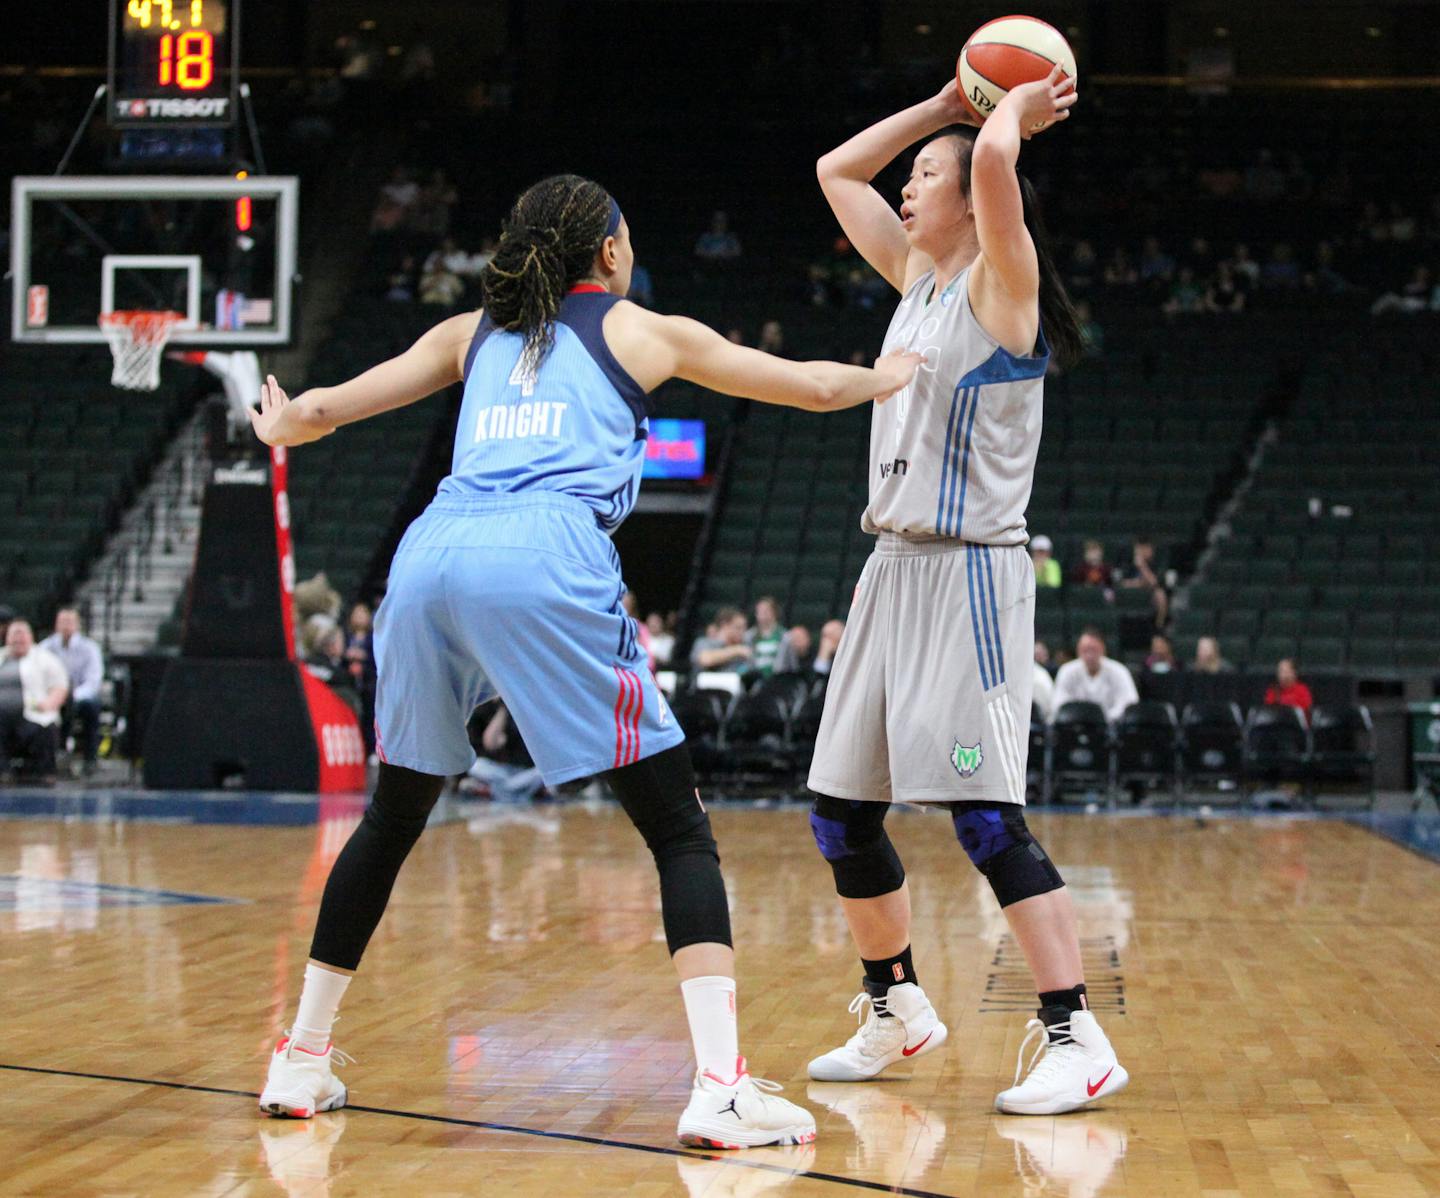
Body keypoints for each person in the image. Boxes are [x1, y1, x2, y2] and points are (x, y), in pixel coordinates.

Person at [248, 172, 922, 1146]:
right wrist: (889, 377)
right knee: (679, 827)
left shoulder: (468, 335)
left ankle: (302, 1060)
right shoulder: (638, 328)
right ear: (608, 253)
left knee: (395, 814)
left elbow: (323, 410)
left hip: (433, 551)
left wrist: (281, 418)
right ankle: (722, 1087)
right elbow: (812, 386)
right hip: (544, 549)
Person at [803, 66, 1125, 1115]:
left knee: (985, 818)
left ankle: (1079, 1034)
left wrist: (1006, 114)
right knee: (840, 812)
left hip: (974, 572)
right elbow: (835, 168)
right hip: (890, 568)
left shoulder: (1000, 283)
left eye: (926, 175)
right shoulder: (917, 283)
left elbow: (997, 166)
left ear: (974, 199)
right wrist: (943, 109)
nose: (906, 186)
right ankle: (896, 1006)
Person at [0, 619, 68, 783]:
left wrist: (49, 703)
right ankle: (4, 772)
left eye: (22, 635)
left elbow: (60, 686)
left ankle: (45, 773)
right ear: (7, 638)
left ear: (30, 637)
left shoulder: (45, 659)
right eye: (14, 636)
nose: (18, 640)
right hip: (2, 718)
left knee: (45, 728)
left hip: (35, 714)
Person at [39, 607, 104, 773]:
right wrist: (55, 696)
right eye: (62, 622)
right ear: (56, 624)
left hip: (80, 697)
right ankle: (52, 755)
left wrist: (70, 696)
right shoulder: (45, 647)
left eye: (69, 622)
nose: (65, 626)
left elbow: (93, 682)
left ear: (77, 625)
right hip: (52, 698)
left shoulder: (90, 648)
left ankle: (90, 758)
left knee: (92, 706)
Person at [1052, 629, 1139, 723]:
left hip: (1111, 725)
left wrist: (1102, 719)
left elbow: (1129, 703)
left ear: (1103, 649)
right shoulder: (1067, 671)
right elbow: (1059, 704)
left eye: (1093, 650)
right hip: (1074, 723)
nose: (1089, 655)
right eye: (1084, 650)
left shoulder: (1119, 671)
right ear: (1078, 650)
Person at [689, 608, 752, 675]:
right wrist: (737, 650)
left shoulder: (745, 645)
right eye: (738, 628)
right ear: (724, 625)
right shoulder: (704, 642)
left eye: (744, 628)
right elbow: (706, 659)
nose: (742, 632)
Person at [1264, 658, 1313, 723]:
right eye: (1281, 672)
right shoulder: (1273, 691)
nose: (1284, 675)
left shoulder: (1303, 690)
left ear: (1294, 673)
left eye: (1287, 671)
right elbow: (1268, 711)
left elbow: (1307, 712)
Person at [747, 597, 786, 677]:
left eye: (766, 611)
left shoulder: (784, 636)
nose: (762, 614)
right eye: (759, 611)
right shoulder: (749, 636)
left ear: (774, 612)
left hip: (777, 678)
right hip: (756, 678)